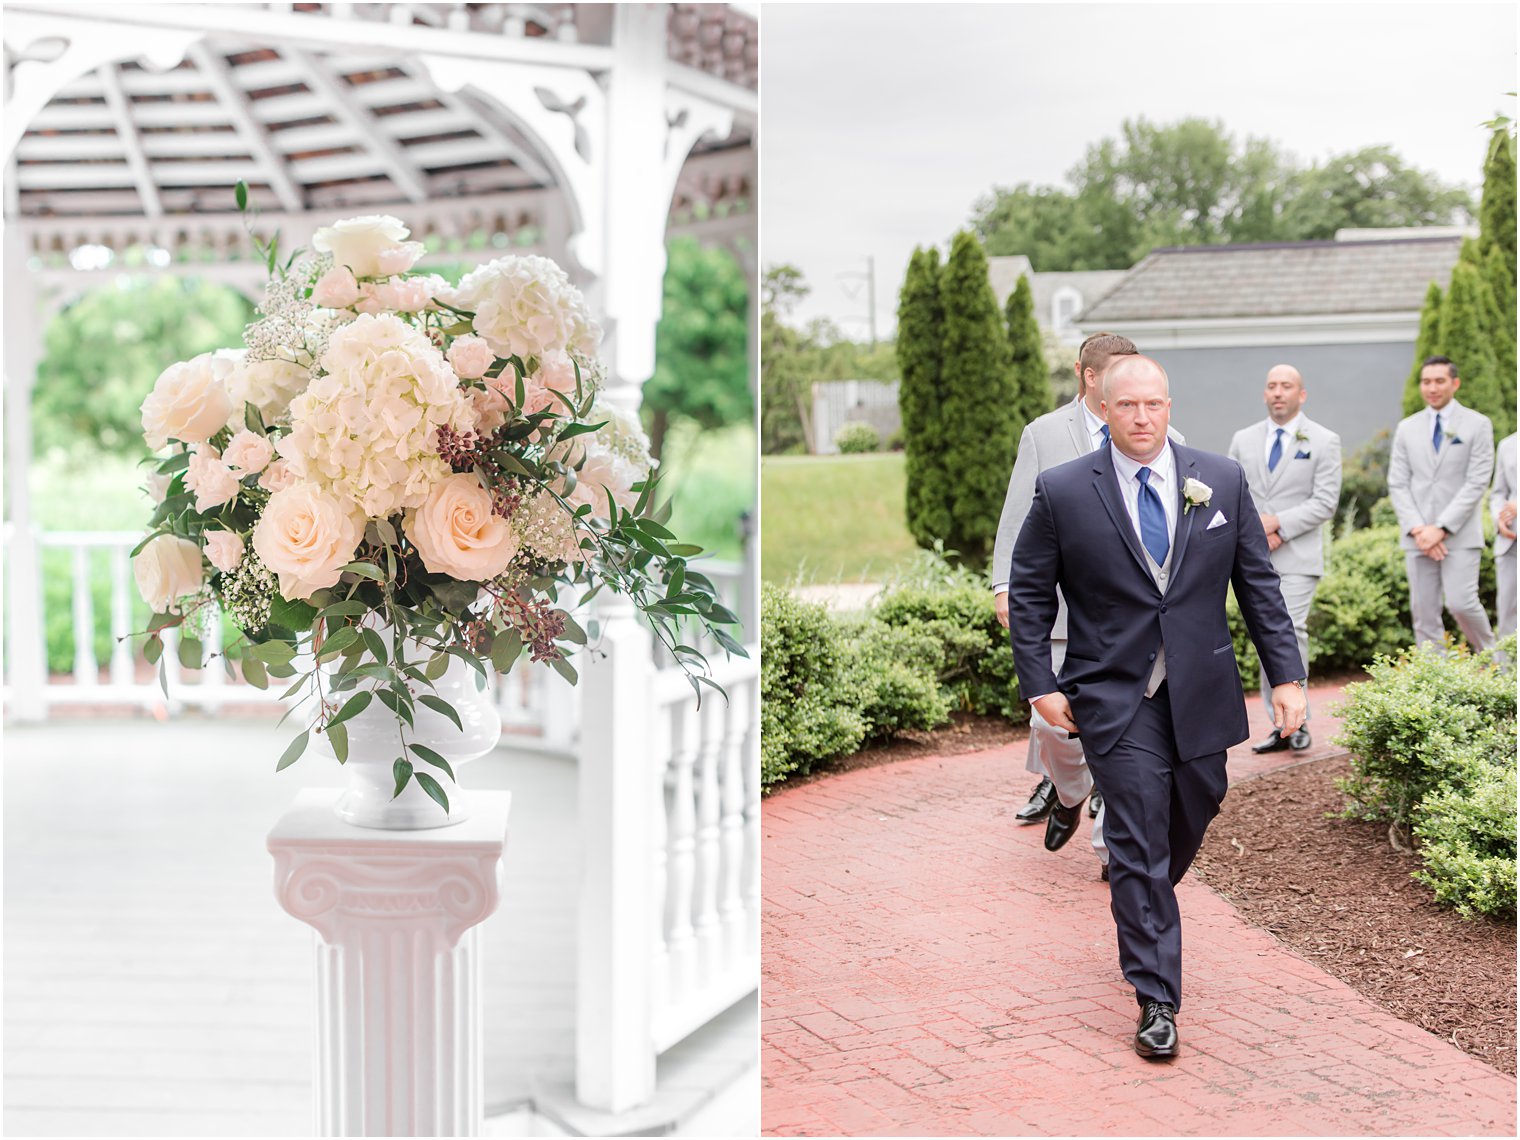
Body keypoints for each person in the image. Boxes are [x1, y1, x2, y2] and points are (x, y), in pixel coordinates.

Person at [1006, 354, 1305, 1059]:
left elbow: (1258, 588)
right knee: (1138, 839)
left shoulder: (1221, 479)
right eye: (1127, 406)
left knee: (1193, 806)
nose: (1142, 417)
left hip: (1200, 691)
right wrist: (1039, 684)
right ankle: (1156, 999)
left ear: (1170, 407)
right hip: (1112, 696)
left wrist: (1286, 676)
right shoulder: (1063, 490)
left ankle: (1144, 899)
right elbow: (1027, 592)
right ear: (1103, 409)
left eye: (1154, 404)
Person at [991, 332, 1183, 875]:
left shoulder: (1166, 435)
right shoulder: (1044, 433)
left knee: (1127, 737)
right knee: (1056, 729)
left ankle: (1112, 850)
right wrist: (1004, 585)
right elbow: (1018, 515)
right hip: (1062, 613)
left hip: (1133, 625)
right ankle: (1070, 791)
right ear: (1088, 376)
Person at [1227, 365, 1341, 754]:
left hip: (1297, 554)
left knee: (1289, 629)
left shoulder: (1324, 440)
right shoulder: (1243, 439)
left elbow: (1326, 501)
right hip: (1252, 555)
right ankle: (1280, 723)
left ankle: (1297, 720)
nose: (1278, 392)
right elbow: (1231, 491)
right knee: (1264, 634)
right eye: (1272, 386)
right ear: (1265, 394)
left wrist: (1276, 525)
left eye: (1286, 386)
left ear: (1301, 394)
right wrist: (1256, 533)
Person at [1387, 356, 1496, 652]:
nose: (1432, 388)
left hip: (1459, 535)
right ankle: (1437, 680)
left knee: (1461, 603)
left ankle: (1499, 666)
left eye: (1439, 381)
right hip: (1417, 536)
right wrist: (1419, 529)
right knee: (1423, 614)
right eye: (1426, 382)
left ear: (1455, 383)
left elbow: (1477, 482)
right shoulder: (1407, 428)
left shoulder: (1478, 425)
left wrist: (1442, 528)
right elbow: (1397, 482)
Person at [1492, 431, 1517, 639]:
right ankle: (1506, 670)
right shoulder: (1507, 445)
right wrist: (1499, 519)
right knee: (1507, 612)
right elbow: (1499, 493)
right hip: (1510, 542)